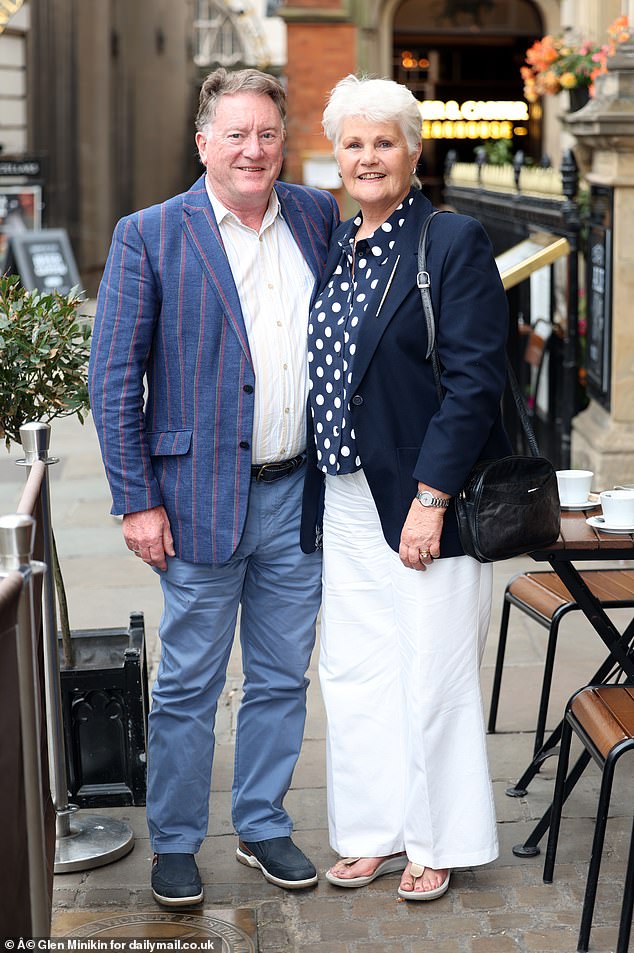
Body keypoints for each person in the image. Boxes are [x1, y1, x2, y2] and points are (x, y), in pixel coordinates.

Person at [88, 67, 339, 907]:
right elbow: (115, 378)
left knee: (278, 676)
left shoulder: (315, 215)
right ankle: (178, 840)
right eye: (235, 133)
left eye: (267, 132)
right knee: (190, 682)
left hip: (296, 492)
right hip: (195, 497)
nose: (253, 149)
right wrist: (136, 498)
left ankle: (264, 822)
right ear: (203, 143)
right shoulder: (150, 233)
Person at [300, 74, 512, 900]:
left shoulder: (450, 241)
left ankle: (438, 839)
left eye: (383, 141)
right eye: (353, 143)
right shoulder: (338, 244)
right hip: (347, 490)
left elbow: (474, 383)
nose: (367, 157)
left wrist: (432, 498)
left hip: (429, 498)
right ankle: (372, 832)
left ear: (413, 150)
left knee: (434, 672)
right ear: (338, 156)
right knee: (355, 672)